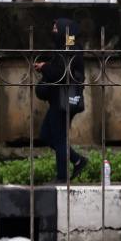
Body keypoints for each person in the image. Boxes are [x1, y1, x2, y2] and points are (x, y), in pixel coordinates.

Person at [35, 19, 88, 184]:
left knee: (59, 138)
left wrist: (44, 67)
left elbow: (62, 74)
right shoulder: (64, 49)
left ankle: (62, 177)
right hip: (57, 101)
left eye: (56, 29)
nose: (53, 31)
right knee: (45, 134)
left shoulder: (71, 50)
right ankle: (77, 160)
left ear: (66, 31)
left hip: (63, 101)